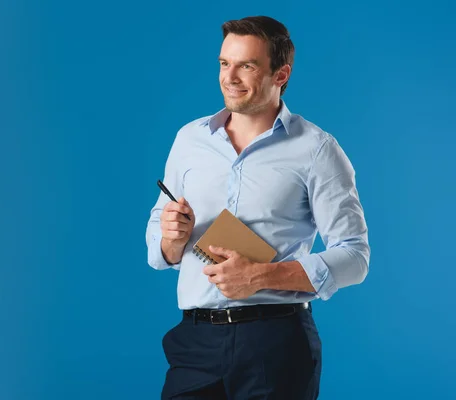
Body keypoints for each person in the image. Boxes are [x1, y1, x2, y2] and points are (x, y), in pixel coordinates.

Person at [145, 16, 370, 400]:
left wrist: (262, 276)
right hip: (195, 342)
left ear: (280, 74)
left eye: (246, 66)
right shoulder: (189, 139)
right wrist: (170, 238)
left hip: (276, 343)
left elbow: (355, 257)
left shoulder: (316, 150)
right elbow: (159, 239)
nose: (229, 77)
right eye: (223, 63)